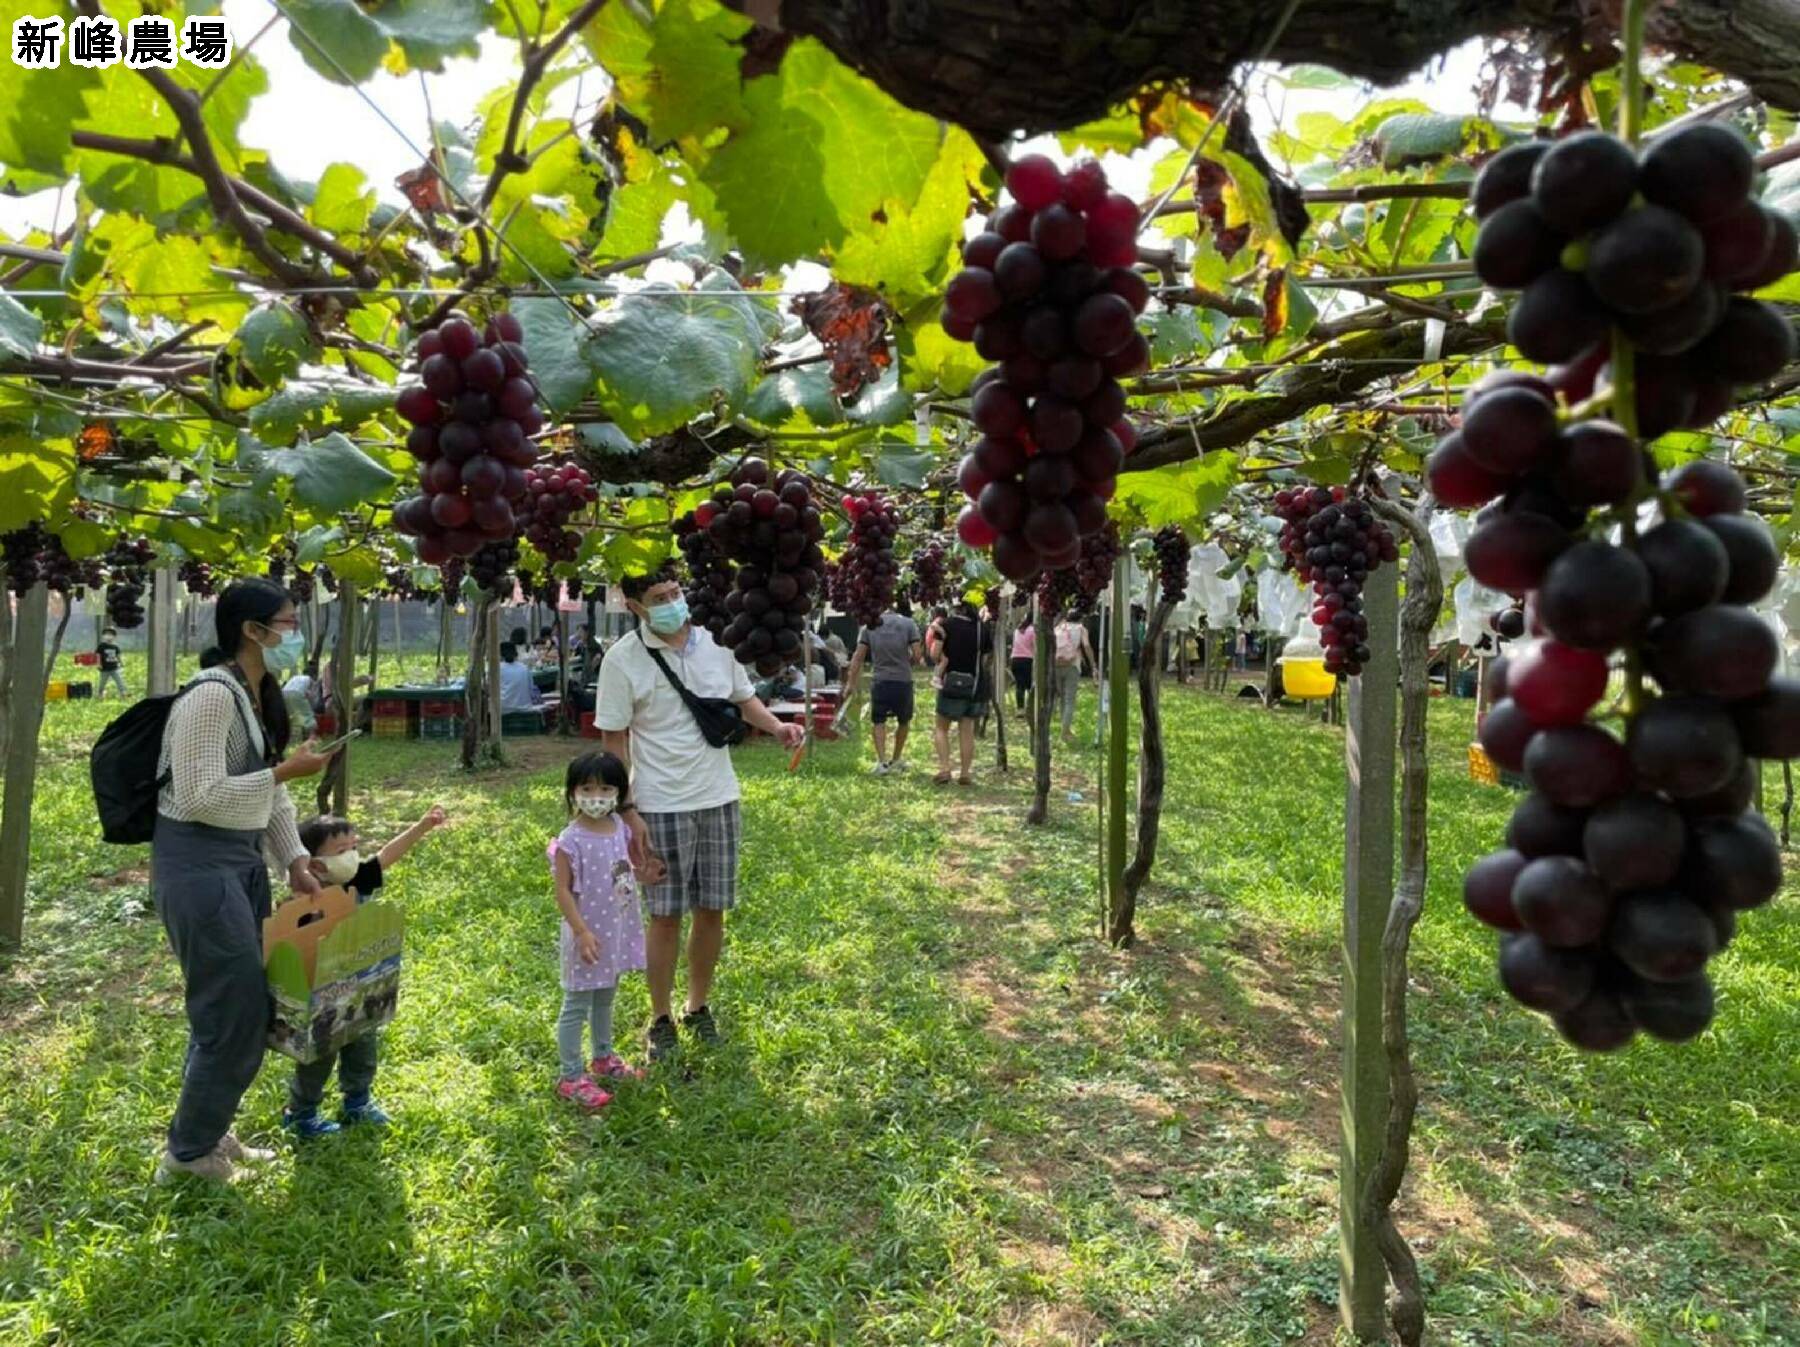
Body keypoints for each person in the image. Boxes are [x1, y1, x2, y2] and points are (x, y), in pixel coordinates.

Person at [151, 578, 334, 1183]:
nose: (294, 634)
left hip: (239, 861)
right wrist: (288, 768)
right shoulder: (210, 697)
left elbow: (269, 791)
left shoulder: (257, 694)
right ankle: (187, 1157)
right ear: (251, 631)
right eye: (286, 624)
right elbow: (200, 794)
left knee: (232, 1009)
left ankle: (205, 1133)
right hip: (198, 866)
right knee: (234, 1008)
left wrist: (293, 860)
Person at [595, 570, 803, 1063]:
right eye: (658, 599)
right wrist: (628, 810)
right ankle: (660, 1017)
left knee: (713, 909)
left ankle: (698, 1006)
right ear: (635, 607)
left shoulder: (716, 643)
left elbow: (742, 698)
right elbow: (613, 740)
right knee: (664, 916)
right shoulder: (623, 660)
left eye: (675, 594)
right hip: (660, 805)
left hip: (719, 797)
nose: (671, 603)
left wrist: (776, 727)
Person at [283, 804, 448, 1137]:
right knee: (317, 1056)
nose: (352, 855)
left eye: (353, 847)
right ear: (315, 864)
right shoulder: (303, 900)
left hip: (361, 988)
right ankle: (301, 1114)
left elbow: (387, 855)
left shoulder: (357, 878)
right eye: (341, 851)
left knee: (362, 1048)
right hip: (321, 997)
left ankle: (357, 1102)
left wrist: (421, 826)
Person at [551, 751, 650, 1109]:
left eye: (606, 788)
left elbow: (619, 872)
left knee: (606, 997)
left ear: (619, 793)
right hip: (586, 935)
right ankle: (571, 1075)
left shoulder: (619, 828)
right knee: (577, 1003)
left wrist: (643, 875)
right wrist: (581, 932)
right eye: (587, 788)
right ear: (573, 792)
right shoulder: (570, 840)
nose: (596, 796)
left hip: (615, 930)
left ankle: (604, 1058)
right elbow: (562, 890)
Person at [841, 602, 921, 775]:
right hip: (903, 681)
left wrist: (850, 683)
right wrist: (908, 663)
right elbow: (918, 655)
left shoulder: (868, 627)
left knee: (878, 721)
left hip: (880, 681)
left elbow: (858, 657)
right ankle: (896, 759)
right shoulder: (909, 624)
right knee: (904, 720)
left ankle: (882, 762)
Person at [933, 600, 990, 786]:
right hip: (974, 685)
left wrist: (942, 657)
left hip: (951, 683)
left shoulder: (946, 625)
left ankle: (944, 768)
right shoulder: (981, 628)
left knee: (942, 727)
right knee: (966, 730)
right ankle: (965, 773)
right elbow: (986, 657)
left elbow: (934, 655)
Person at [1053, 614, 1094, 743]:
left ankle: (1065, 728)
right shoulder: (1081, 629)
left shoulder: (1059, 627)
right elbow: (1086, 646)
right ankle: (1065, 732)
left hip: (1056, 664)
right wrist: (1093, 665)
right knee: (1069, 699)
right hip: (1072, 665)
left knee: (1062, 698)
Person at [497, 641, 543, 713]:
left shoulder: (497, 669)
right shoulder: (524, 668)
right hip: (525, 710)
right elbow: (531, 689)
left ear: (499, 654)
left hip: (503, 710)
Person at [1010, 617, 1036, 713]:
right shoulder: (1032, 630)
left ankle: (1020, 709)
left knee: (1019, 685)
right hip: (1027, 659)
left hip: (1015, 659)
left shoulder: (1017, 630)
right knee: (1029, 685)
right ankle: (1031, 707)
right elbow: (1035, 646)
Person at [95, 626, 127, 700]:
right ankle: (100, 693)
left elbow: (118, 656)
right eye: (107, 634)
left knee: (119, 681)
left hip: (114, 668)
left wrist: (121, 663)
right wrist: (98, 664)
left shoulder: (115, 647)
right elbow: (97, 656)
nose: (109, 636)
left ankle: (123, 693)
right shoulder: (101, 646)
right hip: (104, 669)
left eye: (111, 634)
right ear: (104, 636)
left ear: (114, 636)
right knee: (102, 683)